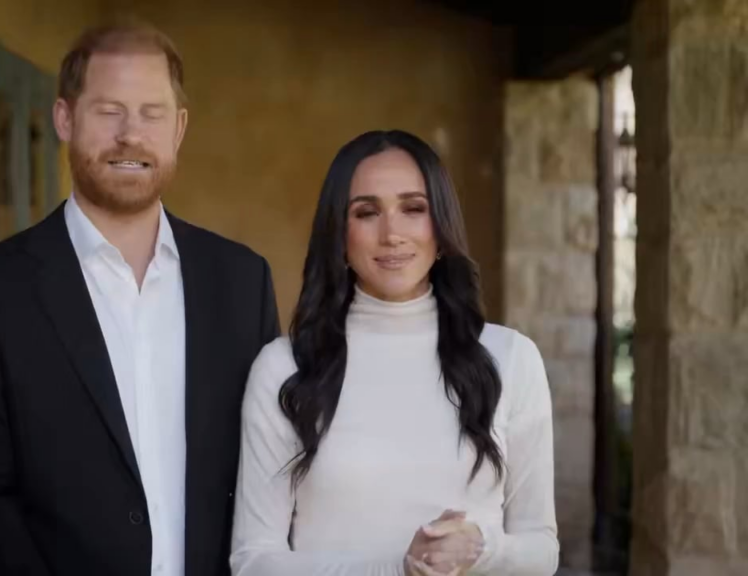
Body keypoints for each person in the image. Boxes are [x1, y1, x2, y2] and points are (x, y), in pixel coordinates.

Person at [0, 22, 279, 576]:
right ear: (65, 118)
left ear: (179, 128)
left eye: (151, 113)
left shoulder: (242, 282)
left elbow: (271, 467)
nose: (130, 134)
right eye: (109, 110)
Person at [230, 130, 558, 576]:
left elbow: (542, 549)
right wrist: (396, 569)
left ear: (440, 229)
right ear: (339, 235)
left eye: (413, 209)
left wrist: (482, 550)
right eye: (366, 212)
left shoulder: (511, 359)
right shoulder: (285, 368)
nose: (392, 234)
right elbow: (253, 561)